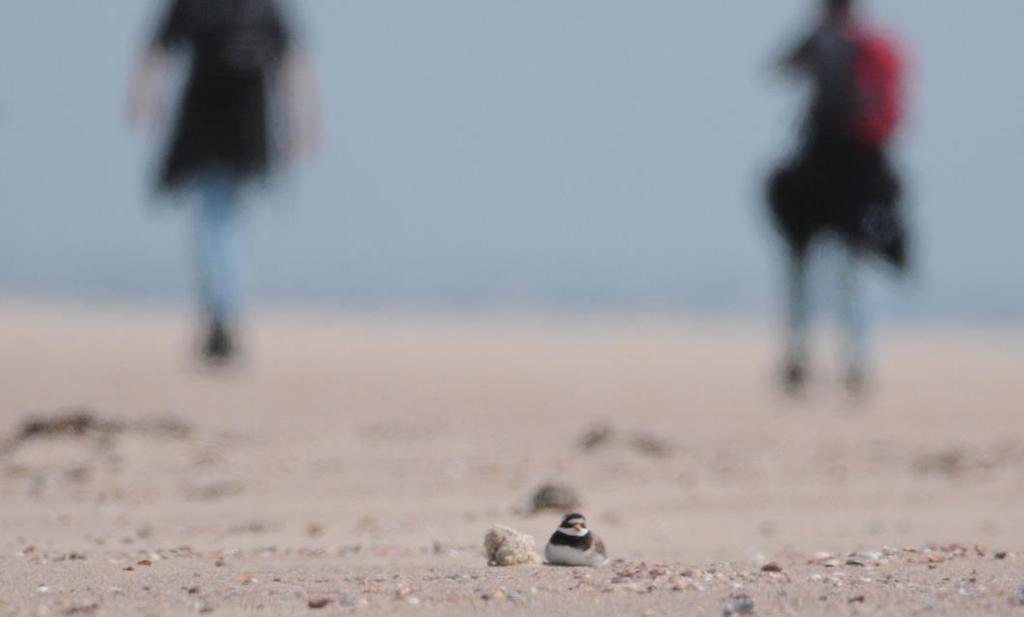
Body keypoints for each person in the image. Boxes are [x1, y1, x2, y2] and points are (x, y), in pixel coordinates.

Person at [128, 0, 318, 362]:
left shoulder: (257, 8)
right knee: (219, 216)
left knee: (218, 217)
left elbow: (291, 61)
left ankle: (222, 311)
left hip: (240, 124)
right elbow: (157, 48)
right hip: (212, 123)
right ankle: (223, 310)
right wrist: (301, 121)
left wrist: (302, 120)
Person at [767, 0, 909, 395]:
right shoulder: (843, 45)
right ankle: (826, 359)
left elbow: (781, 71)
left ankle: (846, 360)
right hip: (843, 170)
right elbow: (781, 70)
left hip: (847, 170)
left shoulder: (857, 48)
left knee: (844, 270)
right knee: (831, 270)